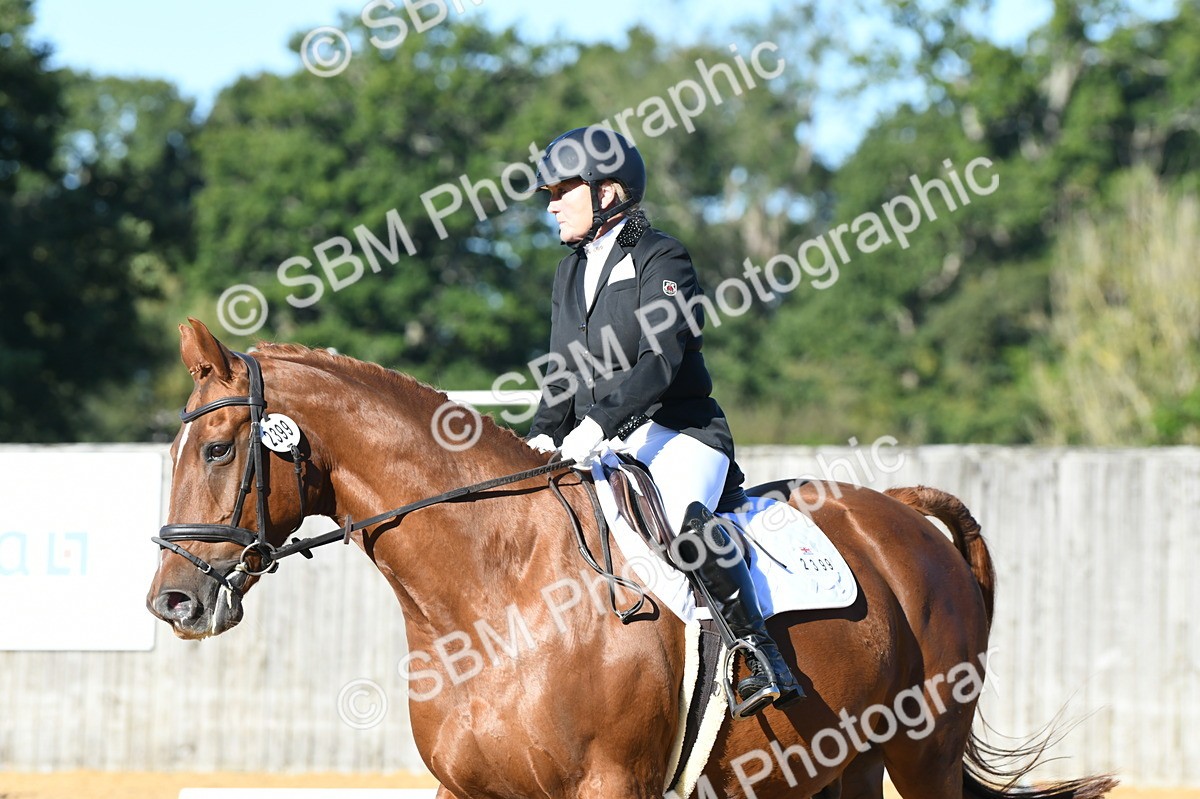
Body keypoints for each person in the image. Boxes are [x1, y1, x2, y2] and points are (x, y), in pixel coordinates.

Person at [524, 125, 804, 716]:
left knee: (680, 522)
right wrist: (542, 435)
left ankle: (756, 656)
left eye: (563, 189)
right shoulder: (568, 273)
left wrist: (597, 426)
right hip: (598, 440)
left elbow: (661, 357)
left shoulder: (662, 255)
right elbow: (561, 369)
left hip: (678, 432)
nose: (550, 202)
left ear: (608, 193)